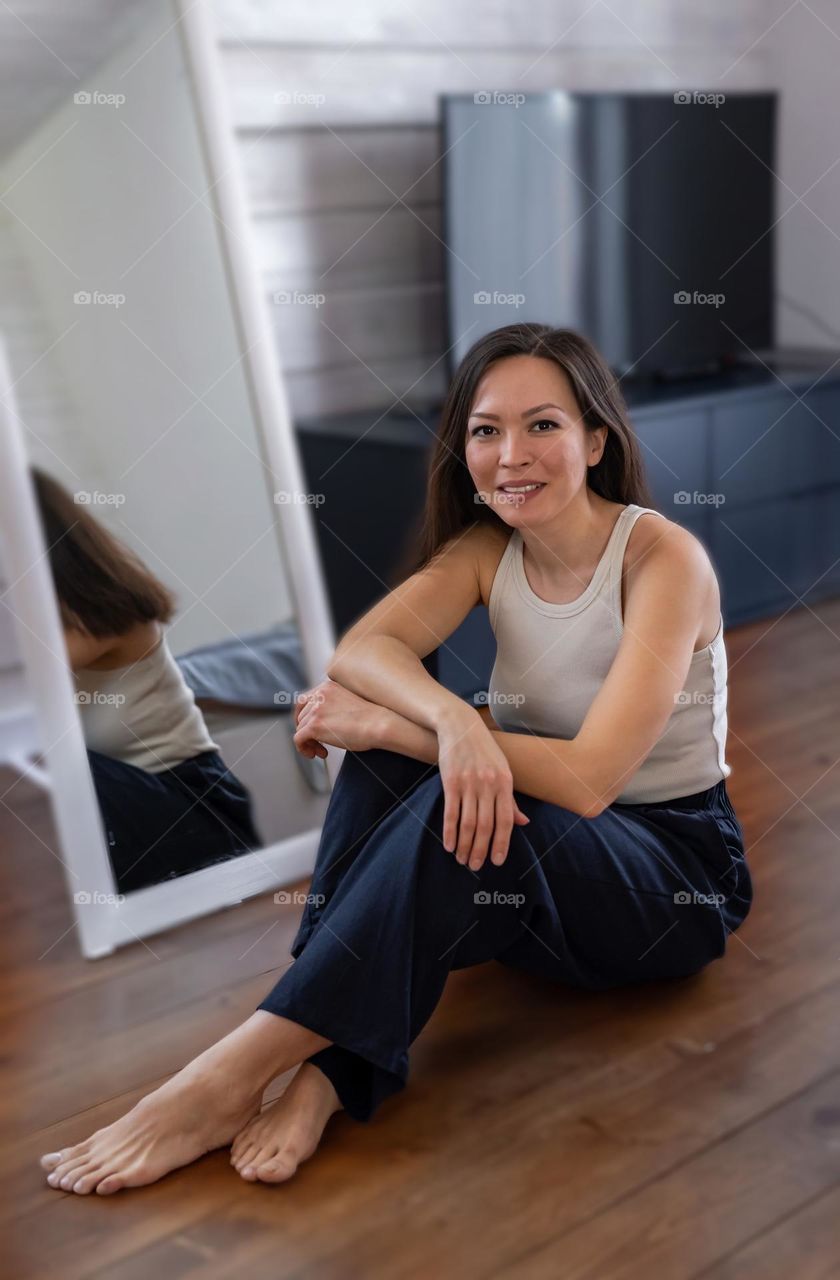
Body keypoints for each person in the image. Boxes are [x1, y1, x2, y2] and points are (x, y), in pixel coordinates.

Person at [40, 323, 752, 1196]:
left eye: (543, 426)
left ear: (596, 439)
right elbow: (362, 653)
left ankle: (225, 1075)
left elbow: (587, 782)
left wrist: (416, 732)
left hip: (670, 880)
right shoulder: (489, 550)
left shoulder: (662, 559)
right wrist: (451, 722)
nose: (509, 455)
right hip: (534, 893)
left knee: (401, 751)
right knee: (398, 760)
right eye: (486, 430)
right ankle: (326, 1071)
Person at [31, 469, 262, 893]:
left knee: (59, 761)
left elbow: (28, 674)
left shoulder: (101, 617)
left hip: (192, 808)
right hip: (134, 813)